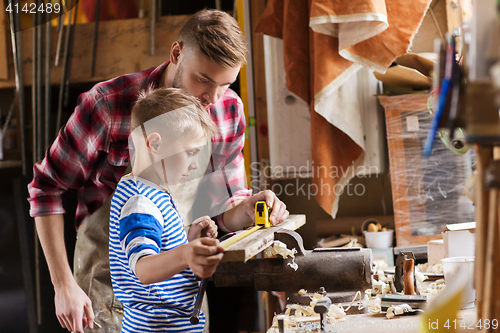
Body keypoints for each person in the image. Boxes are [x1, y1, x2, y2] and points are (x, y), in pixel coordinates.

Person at [27, 8, 289, 333]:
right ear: (177, 53)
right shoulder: (108, 105)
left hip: (180, 292)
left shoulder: (227, 110)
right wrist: (63, 285)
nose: (212, 97)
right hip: (111, 289)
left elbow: (220, 214)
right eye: (204, 79)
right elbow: (46, 189)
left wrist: (246, 210)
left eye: (225, 84)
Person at [110, 87, 223, 332]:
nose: (195, 165)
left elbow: (159, 249)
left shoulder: (152, 192)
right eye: (191, 153)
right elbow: (145, 268)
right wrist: (186, 254)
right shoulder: (140, 201)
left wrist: (189, 241)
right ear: (155, 144)